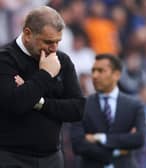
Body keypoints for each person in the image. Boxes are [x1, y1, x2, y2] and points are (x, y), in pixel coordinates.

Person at [0, 6, 85, 168]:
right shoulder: (5, 59)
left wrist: (39, 102)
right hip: (10, 158)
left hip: (51, 158)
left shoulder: (62, 60)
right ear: (27, 34)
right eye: (48, 42)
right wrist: (45, 74)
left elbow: (78, 109)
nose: (53, 48)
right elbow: (16, 104)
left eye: (57, 42)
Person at [71, 54, 146, 168]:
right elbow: (78, 144)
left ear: (116, 74)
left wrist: (101, 138)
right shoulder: (81, 105)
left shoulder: (134, 105)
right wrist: (117, 151)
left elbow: (139, 138)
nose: (95, 76)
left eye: (101, 71)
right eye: (93, 71)